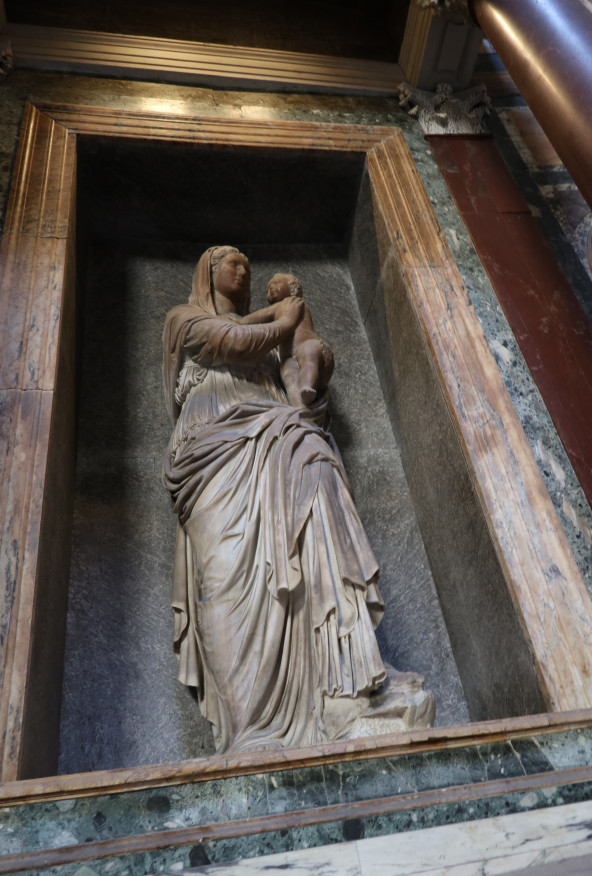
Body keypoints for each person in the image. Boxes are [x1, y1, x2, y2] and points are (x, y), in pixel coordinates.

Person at [162, 246, 430, 755]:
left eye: (247, 264)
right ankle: (248, 726)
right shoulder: (183, 320)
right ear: (208, 272)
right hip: (213, 455)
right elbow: (228, 341)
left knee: (317, 473)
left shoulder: (271, 342)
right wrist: (284, 318)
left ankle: (346, 685)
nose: (243, 269)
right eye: (232, 263)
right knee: (223, 578)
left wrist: (312, 380)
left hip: (281, 437)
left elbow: (301, 399)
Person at [240, 273, 334, 406]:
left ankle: (307, 386)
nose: (271, 288)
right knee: (289, 375)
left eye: (277, 283)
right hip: (290, 358)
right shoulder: (280, 307)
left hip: (310, 345)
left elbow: (255, 318)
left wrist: (238, 321)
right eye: (268, 289)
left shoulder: (291, 302)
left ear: (292, 288)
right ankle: (300, 407)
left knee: (308, 356)